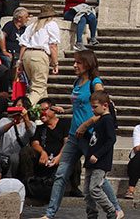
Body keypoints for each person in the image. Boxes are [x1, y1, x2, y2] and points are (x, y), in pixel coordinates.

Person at [43, 50, 118, 219]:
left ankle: (116, 209)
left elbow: (102, 107)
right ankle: (49, 214)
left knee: (98, 177)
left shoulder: (95, 82)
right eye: (74, 62)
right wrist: (66, 109)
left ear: (88, 63)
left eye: (78, 62)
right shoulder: (77, 81)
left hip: (88, 136)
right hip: (73, 135)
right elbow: (81, 105)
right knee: (61, 174)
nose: (74, 65)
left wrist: (86, 125)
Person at [81, 89, 118, 219]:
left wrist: (98, 155)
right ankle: (92, 214)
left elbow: (111, 139)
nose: (93, 110)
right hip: (91, 160)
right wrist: (85, 133)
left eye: (95, 107)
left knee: (94, 189)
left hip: (100, 161)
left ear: (105, 105)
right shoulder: (100, 120)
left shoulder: (107, 120)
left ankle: (111, 211)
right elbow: (95, 139)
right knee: (86, 191)